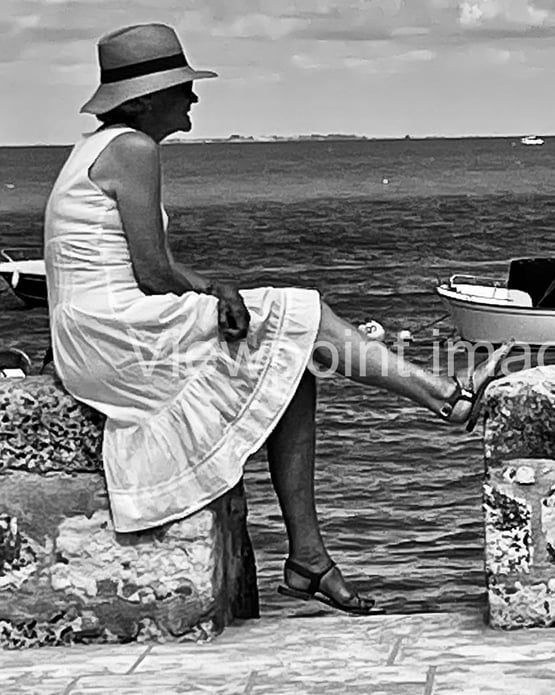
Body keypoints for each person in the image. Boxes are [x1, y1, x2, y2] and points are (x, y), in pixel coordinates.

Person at [44, 23, 514, 615]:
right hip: (113, 334)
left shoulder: (97, 147)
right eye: (180, 88)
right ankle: (448, 397)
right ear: (142, 101)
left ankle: (307, 558)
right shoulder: (132, 149)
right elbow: (155, 270)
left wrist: (214, 294)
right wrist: (219, 289)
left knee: (293, 358)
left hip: (96, 331)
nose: (192, 98)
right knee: (301, 312)